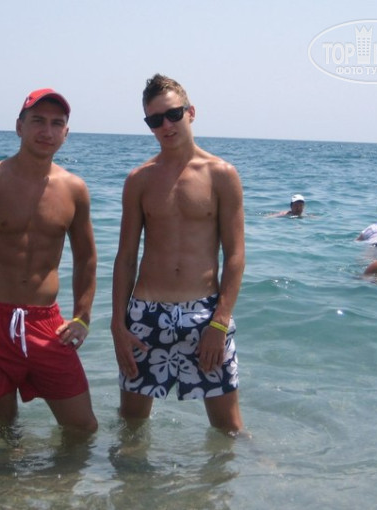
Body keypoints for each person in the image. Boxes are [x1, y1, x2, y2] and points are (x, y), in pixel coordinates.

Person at [0, 88, 98, 436]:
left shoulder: (74, 189)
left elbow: (86, 257)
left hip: (46, 324)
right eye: (37, 121)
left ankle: (55, 476)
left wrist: (82, 316)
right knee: (2, 428)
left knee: (82, 427)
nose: (47, 131)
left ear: (66, 133)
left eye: (56, 123)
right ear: (19, 127)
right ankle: (4, 474)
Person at [111, 74, 245, 434]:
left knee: (228, 431)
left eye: (173, 114)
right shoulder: (139, 180)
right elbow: (126, 257)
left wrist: (220, 322)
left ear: (191, 112)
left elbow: (235, 255)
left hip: (205, 316)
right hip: (145, 315)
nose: (166, 126)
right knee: (131, 428)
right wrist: (117, 325)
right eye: (155, 120)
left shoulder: (222, 175)